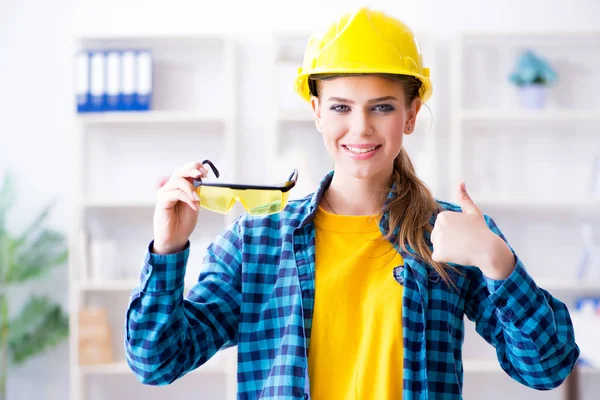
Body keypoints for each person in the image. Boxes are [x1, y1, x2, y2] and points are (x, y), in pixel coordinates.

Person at [124, 7, 579, 400]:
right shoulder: (256, 242)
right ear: (317, 111)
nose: (360, 128)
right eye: (341, 107)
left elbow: (547, 368)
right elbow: (157, 361)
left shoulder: (453, 234)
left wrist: (498, 261)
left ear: (412, 114)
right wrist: (167, 250)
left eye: (381, 107)